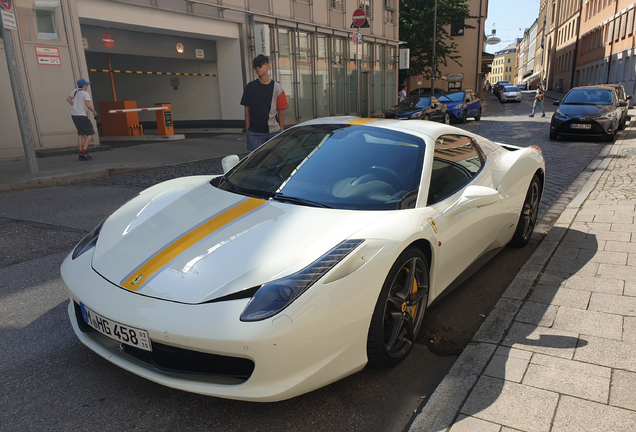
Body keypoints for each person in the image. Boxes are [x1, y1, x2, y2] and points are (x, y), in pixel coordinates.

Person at [240, 55, 289, 152]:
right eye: (255, 66)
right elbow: (247, 108)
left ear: (267, 66)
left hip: (273, 131)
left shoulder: (277, 87)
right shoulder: (250, 87)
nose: (257, 68)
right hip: (254, 132)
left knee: (280, 157)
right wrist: (248, 128)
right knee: (255, 160)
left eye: (260, 66)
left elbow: (281, 110)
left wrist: (281, 129)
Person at [66, 78, 99, 161]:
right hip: (81, 115)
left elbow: (68, 99)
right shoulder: (85, 93)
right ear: (84, 85)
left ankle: (80, 152)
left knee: (80, 134)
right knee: (90, 133)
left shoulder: (75, 91)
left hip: (74, 115)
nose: (87, 86)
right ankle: (84, 152)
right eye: (87, 85)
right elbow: (87, 105)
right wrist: (94, 112)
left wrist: (74, 106)